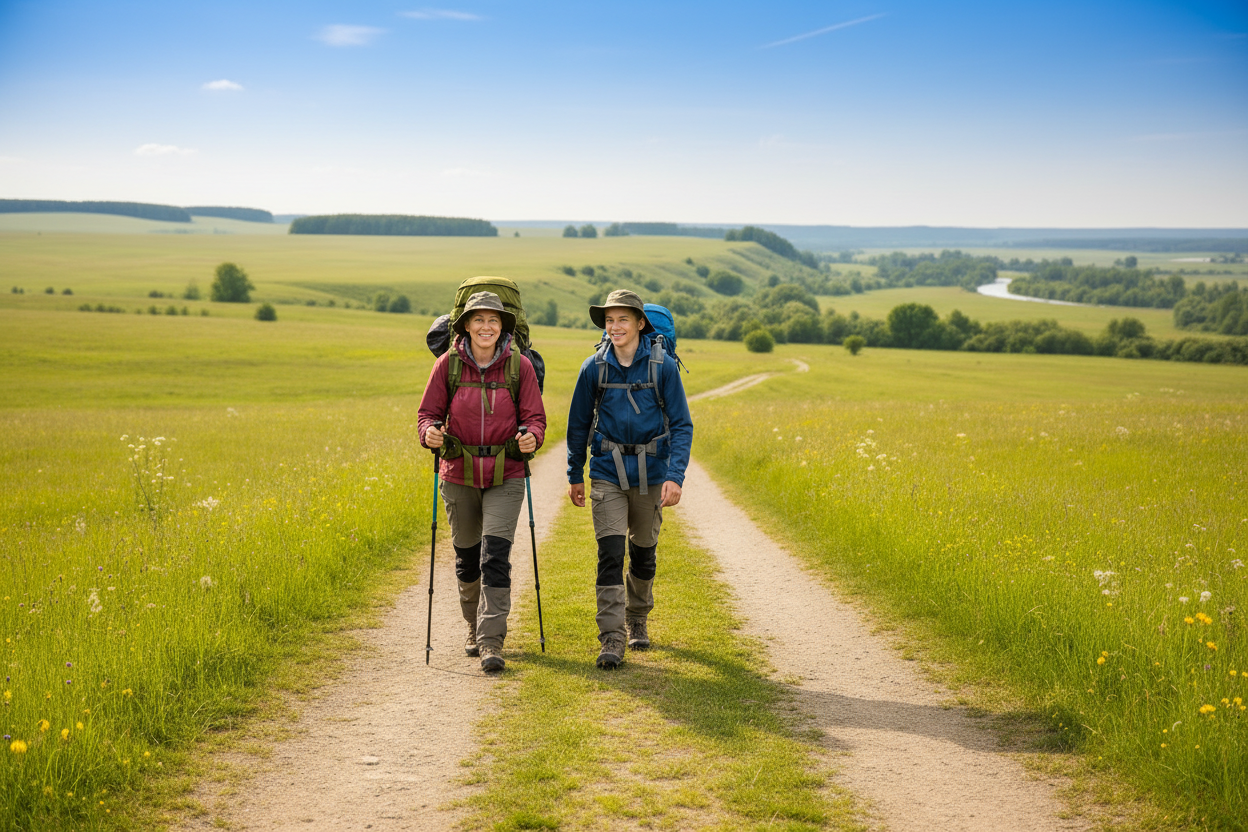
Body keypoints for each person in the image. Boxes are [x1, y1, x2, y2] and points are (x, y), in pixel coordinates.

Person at [418, 291, 546, 673]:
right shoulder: (447, 366)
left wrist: (532, 438)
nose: (486, 327)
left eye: (493, 320)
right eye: (479, 320)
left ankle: (492, 642)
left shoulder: (519, 367)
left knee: (495, 557)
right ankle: (472, 626)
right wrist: (429, 434)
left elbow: (536, 418)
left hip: (506, 474)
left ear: (503, 325)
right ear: (466, 325)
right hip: (458, 474)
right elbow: (427, 414)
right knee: (467, 559)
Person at [566, 289, 692, 669]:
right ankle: (612, 637)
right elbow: (578, 425)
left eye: (623, 319)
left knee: (643, 551)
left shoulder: (662, 367)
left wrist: (675, 476)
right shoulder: (593, 367)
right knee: (610, 554)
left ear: (640, 323)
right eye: (609, 320)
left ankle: (637, 617)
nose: (615, 326)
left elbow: (682, 424)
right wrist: (575, 473)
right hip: (607, 470)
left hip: (652, 472)